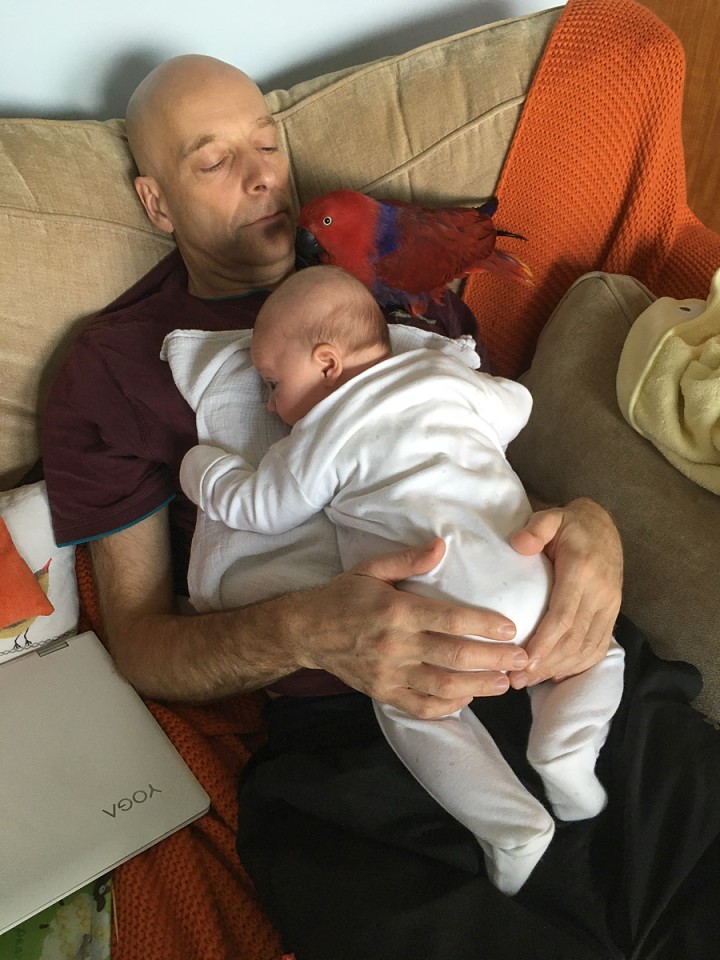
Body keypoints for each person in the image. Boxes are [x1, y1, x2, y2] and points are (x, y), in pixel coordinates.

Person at [40, 53, 720, 960]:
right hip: (352, 741)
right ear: (156, 203)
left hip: (550, 648)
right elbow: (137, 641)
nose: (262, 176)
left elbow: (484, 470)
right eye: (213, 160)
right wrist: (309, 632)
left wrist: (591, 525)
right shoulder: (114, 366)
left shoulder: (392, 295)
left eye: (267, 143)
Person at [178, 264, 626, 896]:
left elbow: (258, 508)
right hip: (528, 572)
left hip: (437, 615)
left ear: (327, 363)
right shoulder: (442, 374)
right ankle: (567, 747)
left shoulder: (320, 436)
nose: (270, 403)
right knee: (594, 651)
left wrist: (202, 468)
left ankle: (511, 825)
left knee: (412, 710)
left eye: (273, 383)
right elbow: (518, 404)